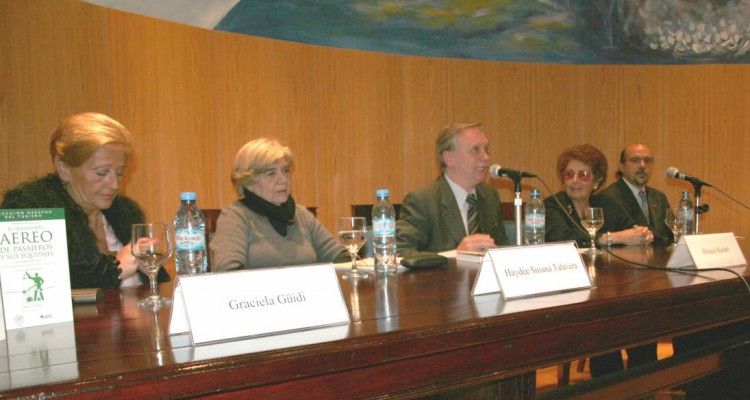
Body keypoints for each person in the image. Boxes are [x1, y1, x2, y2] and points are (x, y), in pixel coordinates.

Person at [1, 112, 169, 289]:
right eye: (101, 172)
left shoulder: (125, 211)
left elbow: (159, 286)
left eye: (119, 172)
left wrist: (150, 267)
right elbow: (33, 284)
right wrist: (116, 268)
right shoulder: (31, 208)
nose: (114, 184)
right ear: (63, 168)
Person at [544, 144, 654, 378]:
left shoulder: (604, 204)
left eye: (583, 175)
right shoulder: (554, 205)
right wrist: (611, 238)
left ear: (597, 180)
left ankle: (642, 388)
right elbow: (563, 239)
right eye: (569, 174)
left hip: (608, 288)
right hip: (571, 293)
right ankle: (609, 388)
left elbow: (631, 227)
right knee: (607, 326)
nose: (575, 180)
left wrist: (642, 234)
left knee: (643, 324)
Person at [210, 138, 348, 270]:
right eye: (271, 173)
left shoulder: (301, 214)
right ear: (248, 181)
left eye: (286, 170)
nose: (283, 179)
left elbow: (340, 258)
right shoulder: (236, 216)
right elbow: (227, 271)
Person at [396, 122, 508, 257]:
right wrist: (456, 254)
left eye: (485, 149)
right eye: (476, 149)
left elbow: (501, 248)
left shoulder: (489, 195)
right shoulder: (423, 201)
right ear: (449, 158)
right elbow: (400, 254)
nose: (486, 157)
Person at [601, 144, 673, 243]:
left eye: (647, 161)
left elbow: (671, 234)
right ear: (622, 166)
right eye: (635, 160)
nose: (642, 166)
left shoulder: (659, 197)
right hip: (625, 257)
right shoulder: (608, 197)